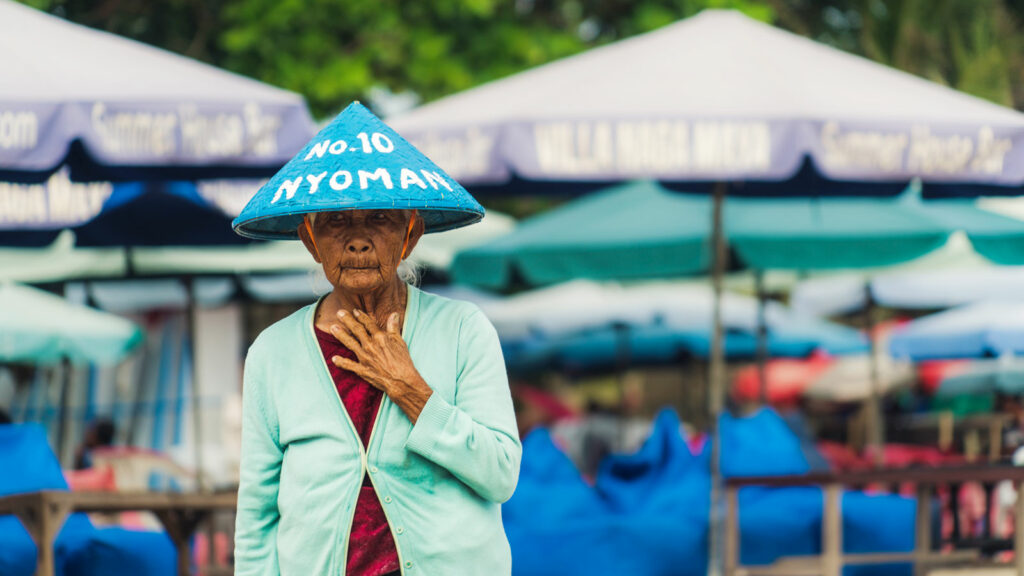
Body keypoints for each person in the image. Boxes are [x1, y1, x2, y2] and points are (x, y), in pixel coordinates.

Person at [232, 103, 521, 576]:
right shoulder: (272, 352)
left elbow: (501, 473)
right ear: (309, 239)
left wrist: (412, 390)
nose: (358, 239)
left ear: (410, 235)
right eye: (337, 221)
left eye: (380, 220)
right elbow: (258, 514)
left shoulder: (464, 329)